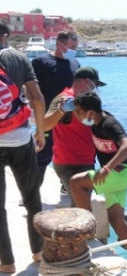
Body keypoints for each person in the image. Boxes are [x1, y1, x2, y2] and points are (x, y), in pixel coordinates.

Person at [68, 92, 127, 258]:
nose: (77, 115)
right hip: (122, 174)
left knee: (76, 183)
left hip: (123, 171)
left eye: (79, 112)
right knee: (115, 218)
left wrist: (107, 167)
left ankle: (85, 231)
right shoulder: (95, 122)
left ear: (91, 113)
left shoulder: (109, 123)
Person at [0, 21, 46, 273]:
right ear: (5, 36)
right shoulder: (18, 58)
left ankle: (6, 262)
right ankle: (38, 252)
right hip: (19, 138)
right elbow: (36, 98)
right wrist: (40, 132)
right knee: (31, 198)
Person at [43, 67, 104, 206]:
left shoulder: (87, 100)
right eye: (96, 84)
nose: (96, 88)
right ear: (87, 81)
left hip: (85, 161)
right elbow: (45, 125)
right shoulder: (64, 99)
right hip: (70, 163)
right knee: (81, 208)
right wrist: (61, 110)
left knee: (81, 206)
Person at [31, 30, 81, 188]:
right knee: (42, 154)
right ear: (60, 44)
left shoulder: (75, 64)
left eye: (76, 47)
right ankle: (31, 191)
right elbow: (32, 90)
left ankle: (66, 187)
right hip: (48, 117)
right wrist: (34, 113)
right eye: (72, 46)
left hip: (70, 118)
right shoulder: (41, 62)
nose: (74, 50)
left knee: (70, 154)